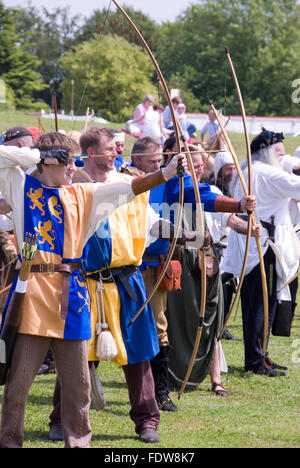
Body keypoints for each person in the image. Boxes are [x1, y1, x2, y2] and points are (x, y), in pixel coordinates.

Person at [0, 130, 187, 448]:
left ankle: (78, 441)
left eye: (74, 162)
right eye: (68, 162)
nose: (74, 168)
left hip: (72, 295)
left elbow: (126, 188)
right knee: (18, 384)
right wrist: (39, 155)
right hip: (32, 296)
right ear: (49, 162)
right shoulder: (21, 187)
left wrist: (166, 173)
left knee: (78, 386)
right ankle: (8, 441)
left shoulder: (83, 194)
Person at [132, 136, 257, 405]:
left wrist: (237, 205)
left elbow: (201, 194)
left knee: (157, 328)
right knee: (106, 329)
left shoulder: (178, 182)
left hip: (153, 265)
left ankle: (159, 392)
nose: (187, 161)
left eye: (191, 157)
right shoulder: (129, 177)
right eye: (181, 154)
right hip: (119, 265)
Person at [164, 144, 258, 394]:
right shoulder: (173, 188)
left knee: (211, 319)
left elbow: (220, 211)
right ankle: (171, 376)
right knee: (176, 322)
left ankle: (216, 380)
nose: (197, 169)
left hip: (206, 261)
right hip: (179, 261)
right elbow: (199, 198)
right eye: (191, 165)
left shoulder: (205, 188)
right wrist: (238, 203)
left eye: (199, 165)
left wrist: (243, 217)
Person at [222, 128, 300, 376]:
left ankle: (261, 355)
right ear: (265, 152)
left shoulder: (252, 170)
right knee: (259, 304)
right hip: (261, 244)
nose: (282, 155)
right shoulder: (265, 172)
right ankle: (255, 360)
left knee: (266, 303)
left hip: (263, 243)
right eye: (278, 151)